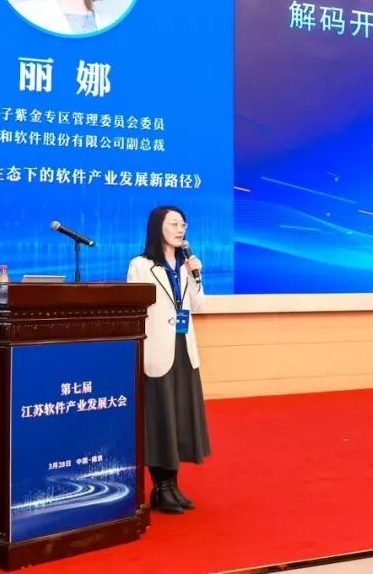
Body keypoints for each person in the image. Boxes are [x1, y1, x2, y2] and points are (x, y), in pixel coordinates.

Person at [127, 205, 210, 514]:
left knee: (179, 419)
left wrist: (196, 276)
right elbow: (135, 308)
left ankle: (173, 486)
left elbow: (198, 306)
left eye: (183, 225)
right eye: (174, 224)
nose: (180, 229)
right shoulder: (141, 265)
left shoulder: (186, 266)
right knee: (160, 420)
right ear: (157, 227)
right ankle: (160, 489)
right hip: (157, 350)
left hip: (184, 350)